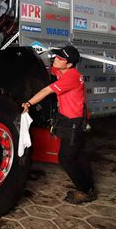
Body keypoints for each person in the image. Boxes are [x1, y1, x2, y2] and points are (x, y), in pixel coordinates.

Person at [22, 45, 96, 204]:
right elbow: (51, 69)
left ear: (69, 64)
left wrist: (28, 103)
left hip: (73, 122)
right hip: (73, 119)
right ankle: (89, 187)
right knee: (80, 155)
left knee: (66, 158)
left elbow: (47, 91)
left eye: (61, 59)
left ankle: (84, 191)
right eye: (57, 56)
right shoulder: (64, 71)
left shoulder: (71, 77)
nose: (56, 59)